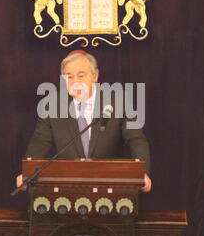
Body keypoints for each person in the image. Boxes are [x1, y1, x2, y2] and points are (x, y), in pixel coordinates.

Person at [16, 50, 152, 192]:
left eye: (81, 76)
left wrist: (142, 173)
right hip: (67, 188)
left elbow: (136, 139)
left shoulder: (118, 102)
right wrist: (28, 172)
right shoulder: (52, 105)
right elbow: (40, 142)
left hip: (110, 185)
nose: (75, 82)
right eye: (69, 77)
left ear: (95, 76)